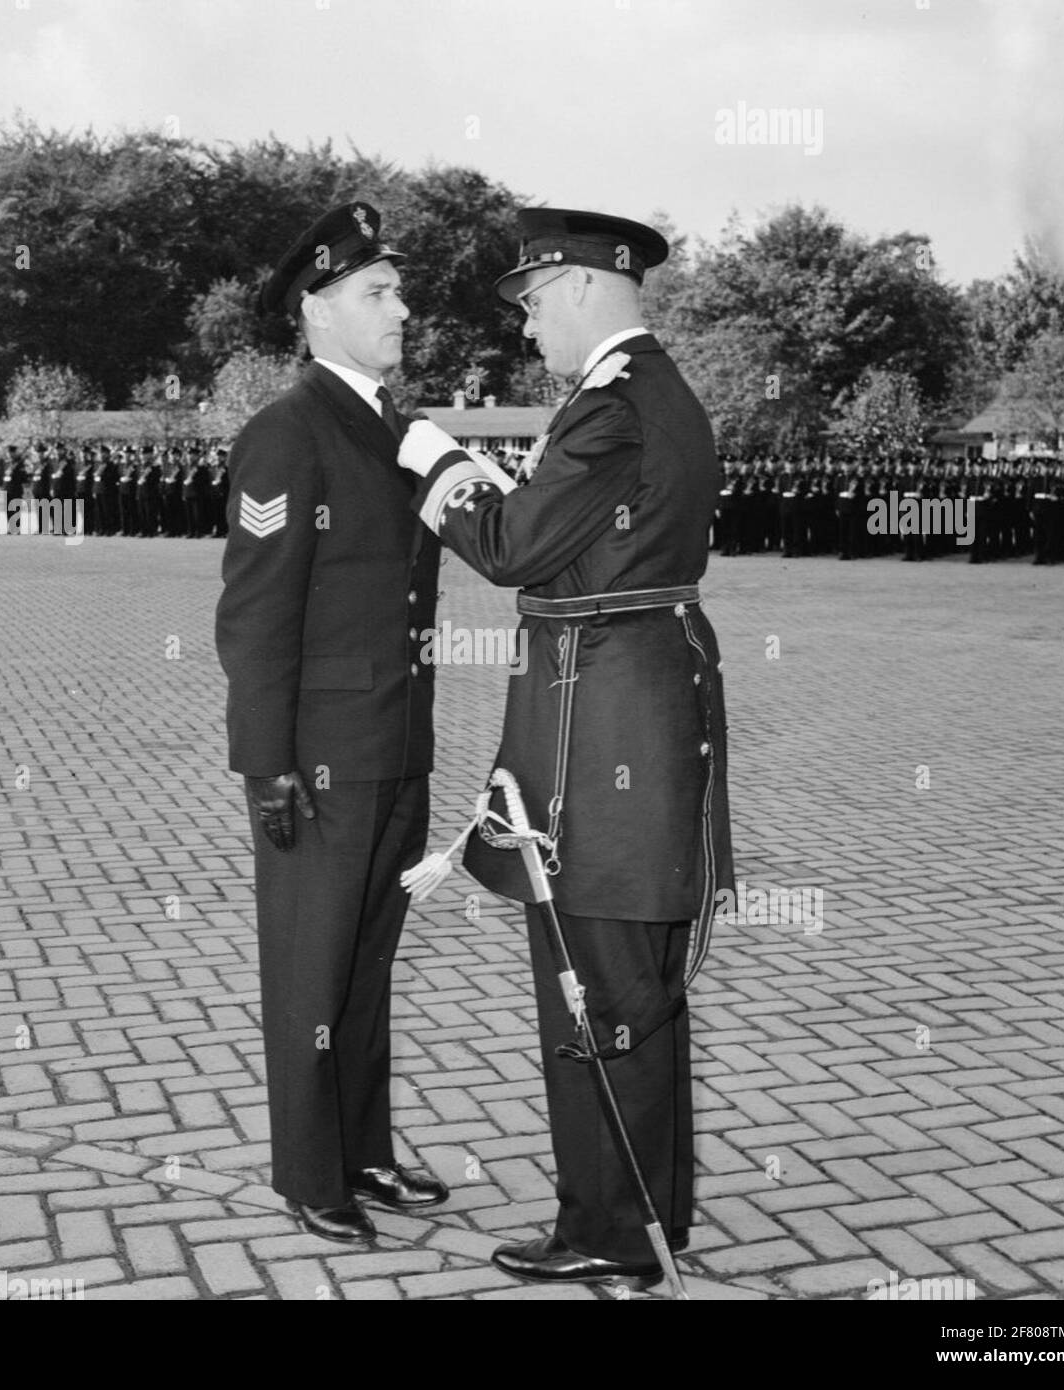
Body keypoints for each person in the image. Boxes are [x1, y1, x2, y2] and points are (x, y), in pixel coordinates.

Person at [398, 207, 734, 1291]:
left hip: (603, 732)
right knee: (626, 984)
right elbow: (574, 537)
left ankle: (613, 1228)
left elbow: (512, 548)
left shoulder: (608, 405)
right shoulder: (649, 392)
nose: (529, 326)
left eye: (535, 302)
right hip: (624, 706)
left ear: (586, 287)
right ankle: (641, 1214)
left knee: (597, 984)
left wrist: (437, 462)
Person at [214, 201, 448, 1246]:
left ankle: (361, 1145)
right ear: (317, 310)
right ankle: (310, 1172)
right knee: (312, 962)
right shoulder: (286, 433)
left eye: (396, 289)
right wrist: (265, 764)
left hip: (395, 749)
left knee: (363, 962)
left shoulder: (394, 427)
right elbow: (256, 617)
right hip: (319, 762)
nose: (402, 308)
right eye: (376, 292)